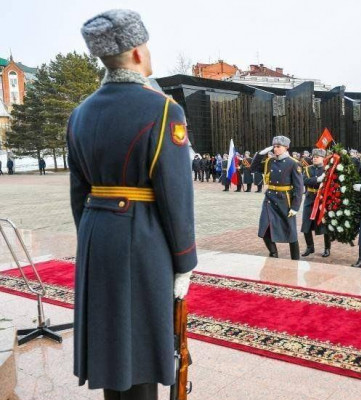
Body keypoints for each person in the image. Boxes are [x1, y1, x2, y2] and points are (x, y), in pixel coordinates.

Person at [70, 10, 197, 399]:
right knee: (141, 345)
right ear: (139, 53)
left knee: (111, 343)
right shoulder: (163, 109)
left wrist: (94, 237)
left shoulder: (80, 113)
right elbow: (176, 194)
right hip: (143, 238)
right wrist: (184, 261)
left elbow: (80, 193)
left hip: (96, 235)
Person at [251, 136, 304, 259]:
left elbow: (299, 187)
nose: (275, 149)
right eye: (274, 146)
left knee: (290, 232)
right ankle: (273, 253)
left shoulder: (293, 163)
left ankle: (295, 258)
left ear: (286, 148)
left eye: (278, 146)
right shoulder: (270, 161)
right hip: (270, 199)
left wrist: (295, 207)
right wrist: (260, 154)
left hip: (285, 200)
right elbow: (254, 168)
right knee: (264, 228)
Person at [300, 148, 330, 257]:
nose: (315, 158)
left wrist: (314, 181)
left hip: (322, 198)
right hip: (310, 198)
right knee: (306, 224)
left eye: (317, 157)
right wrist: (317, 180)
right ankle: (310, 247)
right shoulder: (307, 169)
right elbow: (304, 181)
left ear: (323, 158)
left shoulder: (327, 169)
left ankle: (327, 248)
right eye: (314, 157)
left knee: (325, 224)